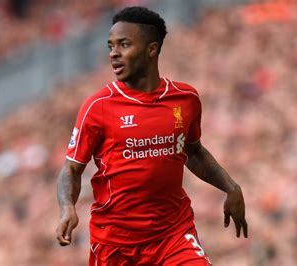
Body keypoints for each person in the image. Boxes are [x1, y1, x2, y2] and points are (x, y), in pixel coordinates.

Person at [56, 6, 247, 265]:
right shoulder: (98, 106)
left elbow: (192, 151)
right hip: (116, 244)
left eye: (124, 45)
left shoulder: (185, 99)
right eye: (111, 46)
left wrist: (231, 187)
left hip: (173, 235)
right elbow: (71, 169)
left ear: (151, 49)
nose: (114, 53)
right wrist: (67, 207)